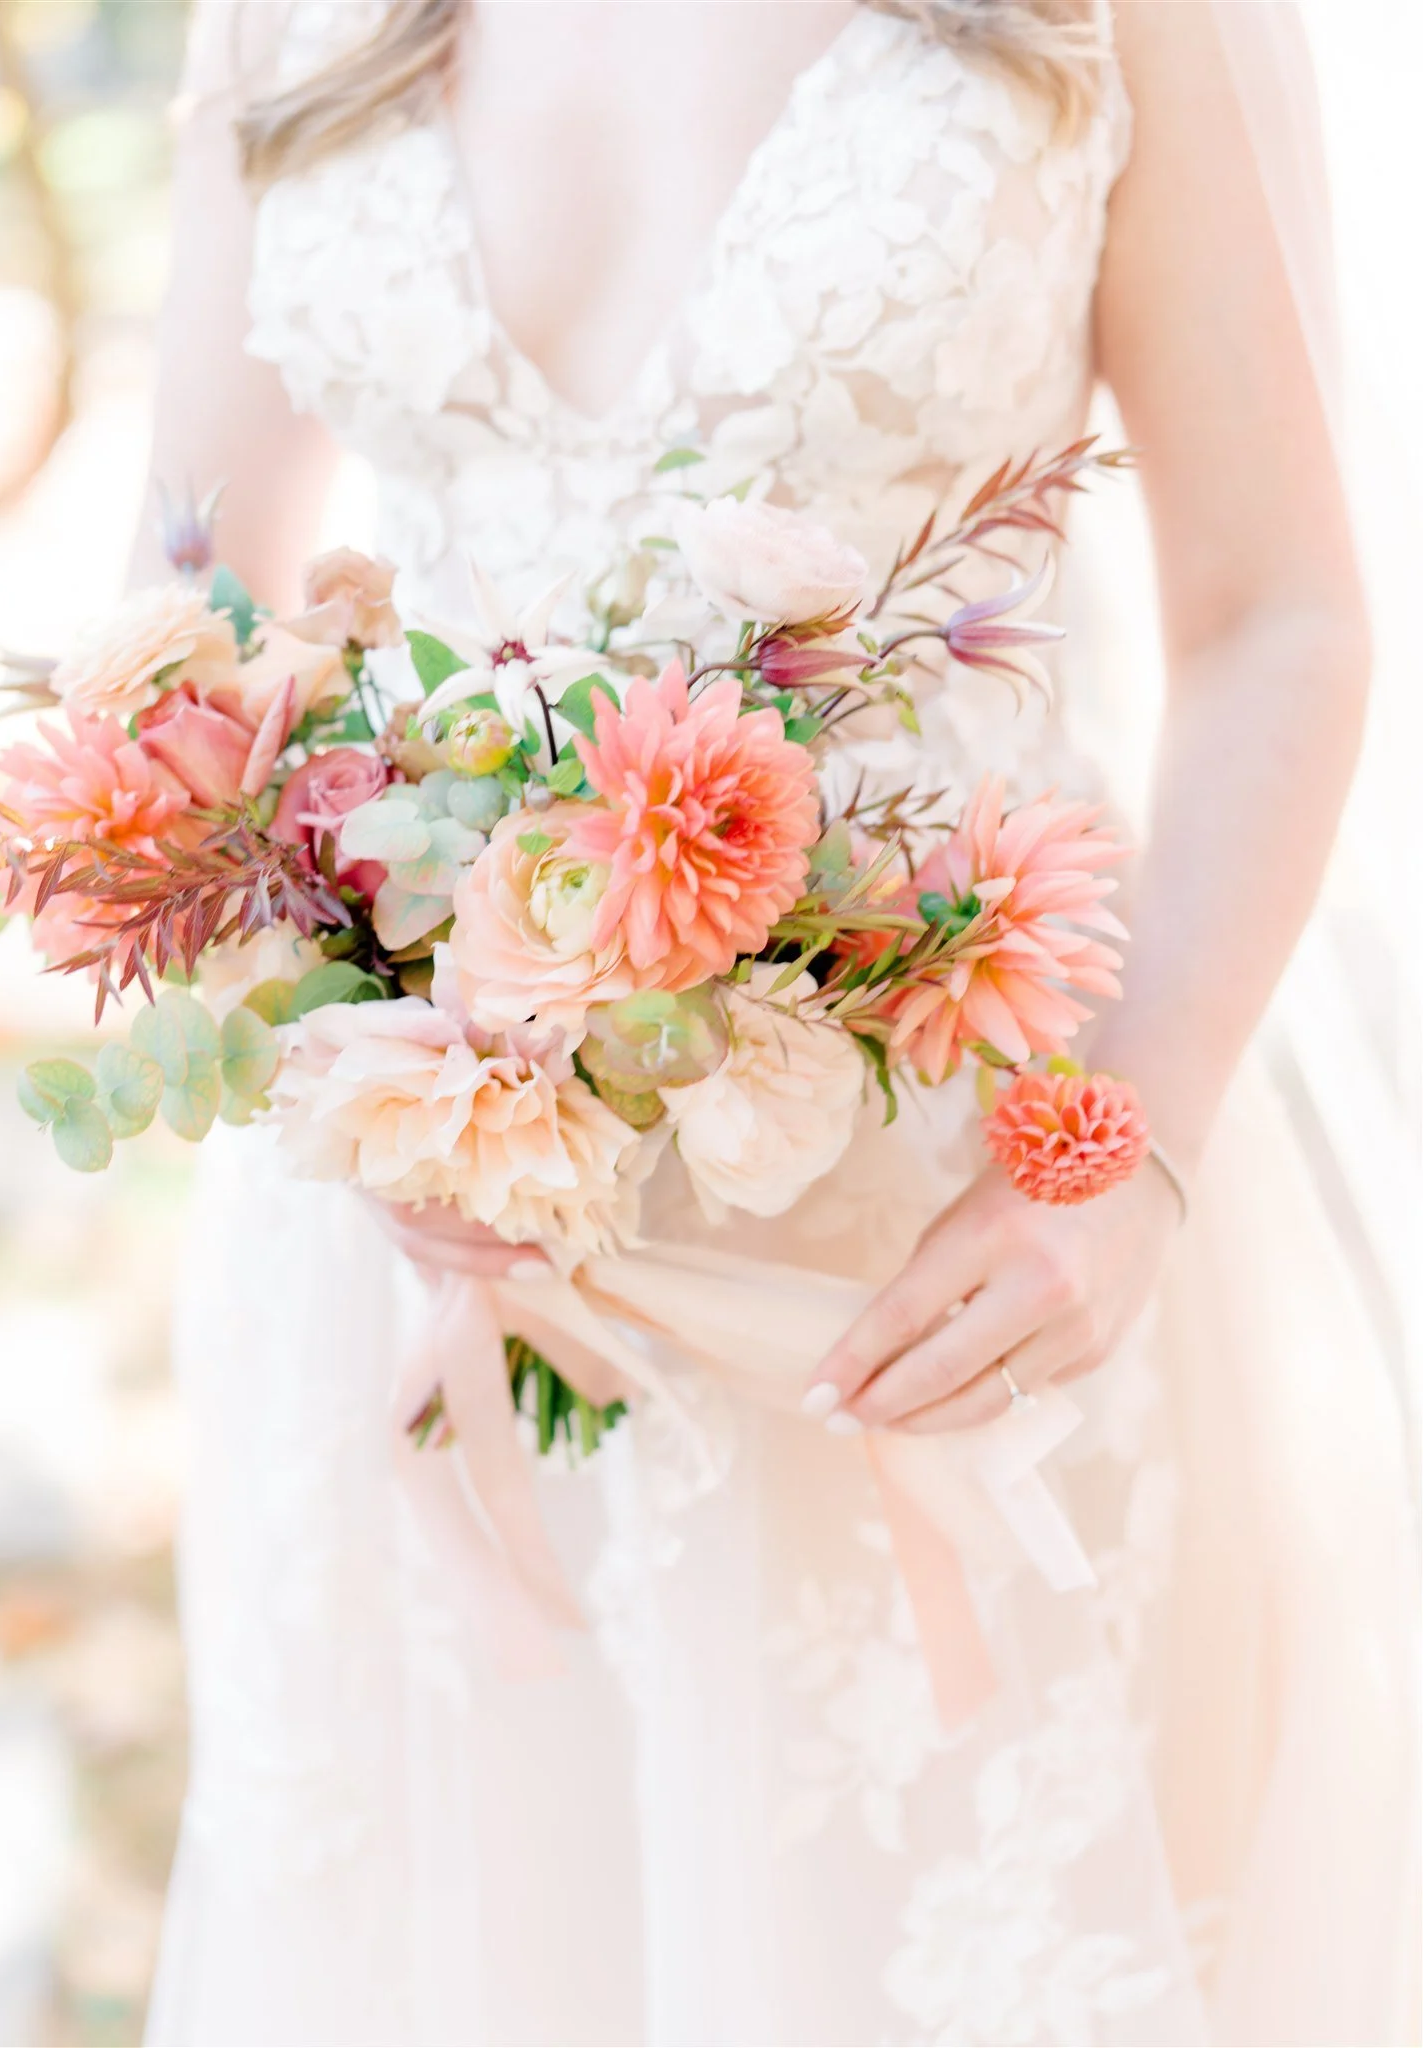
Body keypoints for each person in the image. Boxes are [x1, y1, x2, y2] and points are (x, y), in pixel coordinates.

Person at [138, 4, 1415, 2042]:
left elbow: (1280, 611)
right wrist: (347, 1063)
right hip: (441, 1273)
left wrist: (1128, 1160)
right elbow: (192, 624)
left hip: (949, 1270)